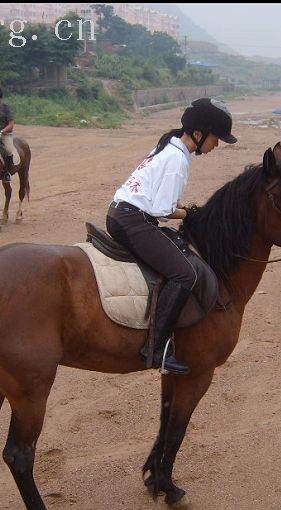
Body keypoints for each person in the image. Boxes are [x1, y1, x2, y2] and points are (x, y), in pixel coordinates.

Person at [106, 98, 237, 375]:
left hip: (122, 214)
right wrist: (191, 214)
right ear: (199, 134)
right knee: (186, 274)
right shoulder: (177, 159)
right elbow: (162, 210)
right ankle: (155, 350)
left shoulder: (169, 147)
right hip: (134, 221)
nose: (216, 145)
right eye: (216, 139)